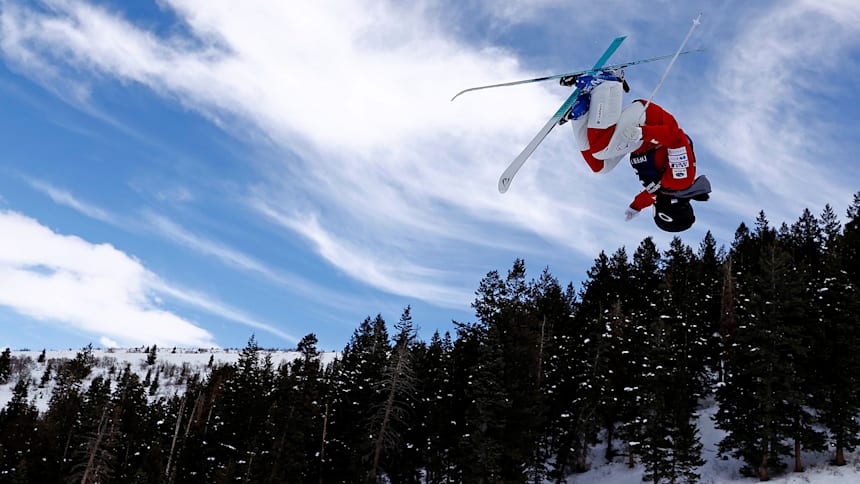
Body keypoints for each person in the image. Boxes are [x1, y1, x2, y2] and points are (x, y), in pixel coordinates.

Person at [561, 72, 710, 232]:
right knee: (602, 150)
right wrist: (644, 132)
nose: (654, 206)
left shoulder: (662, 192)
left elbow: (646, 197)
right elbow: (677, 139)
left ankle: (581, 113)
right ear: (667, 212)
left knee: (600, 166)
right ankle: (608, 84)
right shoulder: (680, 181)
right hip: (649, 120)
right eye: (655, 211)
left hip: (637, 139)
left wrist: (635, 208)